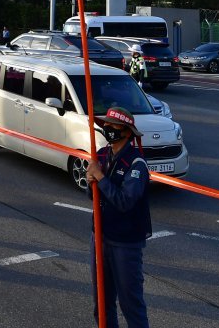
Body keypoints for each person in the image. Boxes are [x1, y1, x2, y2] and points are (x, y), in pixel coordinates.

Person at [85, 107, 152, 328]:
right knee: (101, 305)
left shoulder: (136, 164)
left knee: (131, 305)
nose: (107, 128)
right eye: (106, 124)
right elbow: (92, 195)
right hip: (100, 237)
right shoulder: (102, 154)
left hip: (125, 243)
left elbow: (125, 201)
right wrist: (90, 180)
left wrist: (101, 177)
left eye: (113, 125)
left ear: (126, 131)